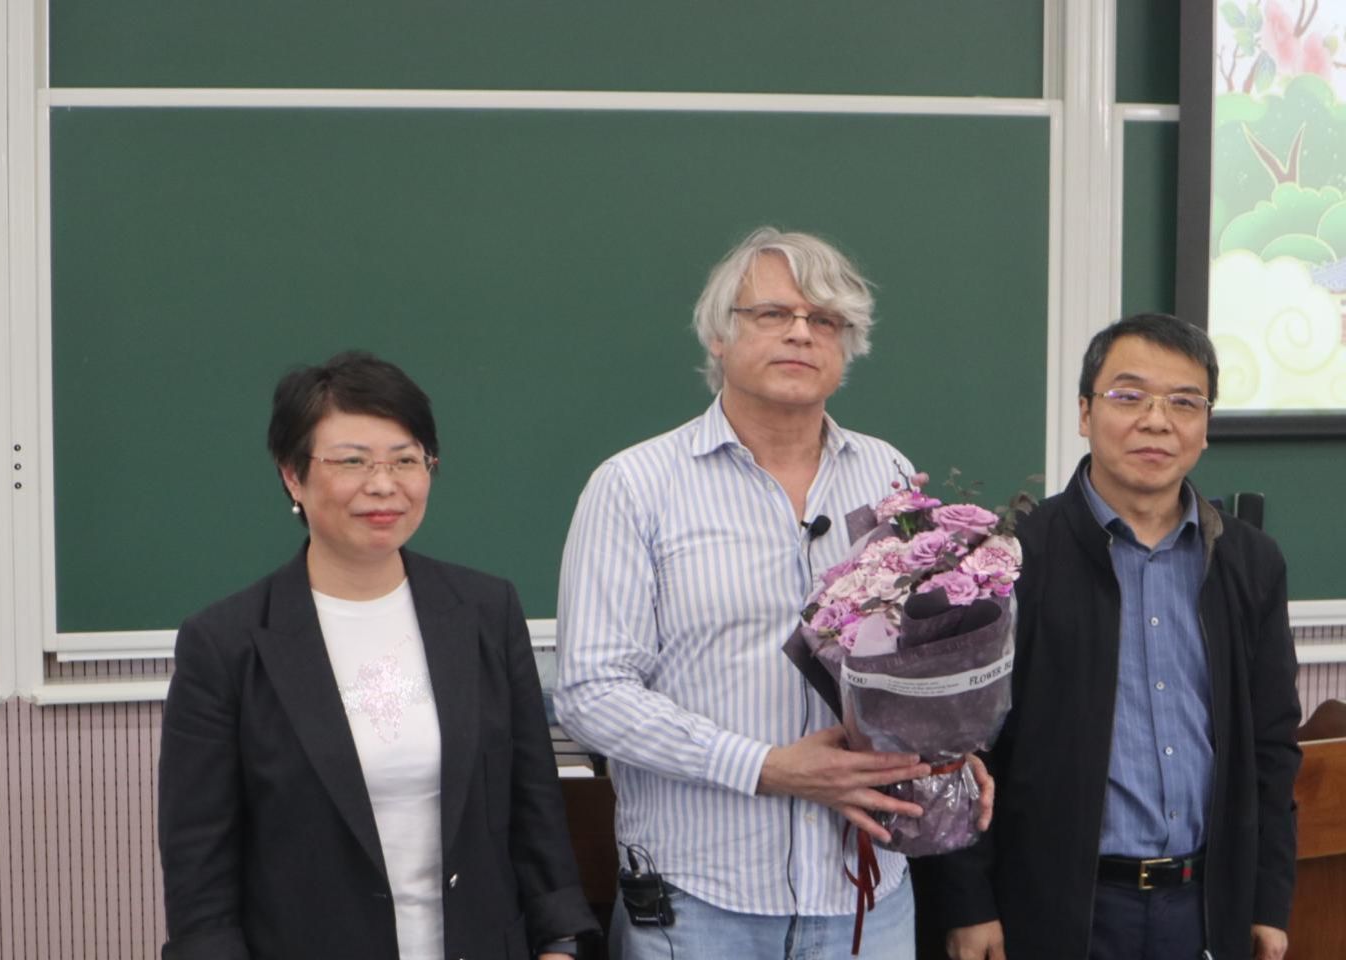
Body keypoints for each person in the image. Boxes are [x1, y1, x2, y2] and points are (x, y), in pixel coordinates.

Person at [554, 227, 991, 960]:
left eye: (825, 320)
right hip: (699, 904)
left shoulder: (887, 473)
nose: (800, 333)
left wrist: (944, 749)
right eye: (772, 314)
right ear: (719, 337)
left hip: (865, 898)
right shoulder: (634, 486)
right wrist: (762, 766)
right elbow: (591, 693)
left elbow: (916, 660)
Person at [159, 351, 597, 960]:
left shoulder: (485, 611)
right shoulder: (226, 644)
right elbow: (199, 866)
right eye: (352, 461)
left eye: (406, 459)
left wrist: (561, 943)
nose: (384, 484)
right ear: (292, 475)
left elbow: (534, 805)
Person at [926, 314, 1301, 960]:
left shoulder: (1249, 562)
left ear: (1205, 425)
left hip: (1205, 907)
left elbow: (1271, 745)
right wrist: (967, 903)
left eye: (1183, 402)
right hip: (1055, 907)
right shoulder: (1012, 559)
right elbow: (954, 748)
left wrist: (1268, 899)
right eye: (1129, 396)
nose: (1157, 421)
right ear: (1084, 412)